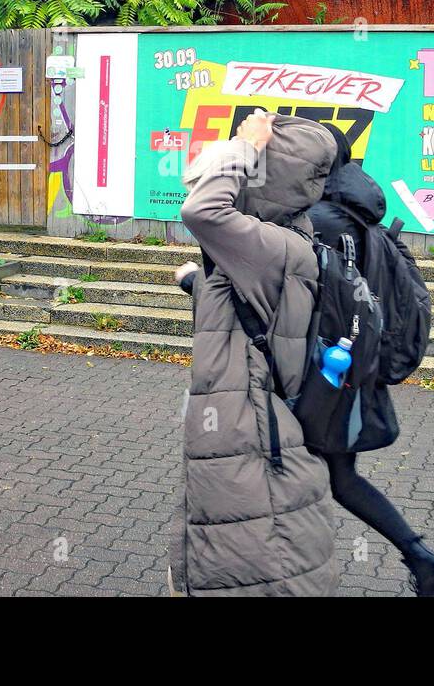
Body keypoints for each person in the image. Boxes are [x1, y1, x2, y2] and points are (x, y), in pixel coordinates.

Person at [169, 111, 340, 596]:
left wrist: (244, 148)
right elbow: (247, 311)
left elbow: (201, 211)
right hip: (248, 423)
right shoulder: (285, 238)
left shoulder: (274, 247)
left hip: (250, 429)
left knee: (254, 553)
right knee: (240, 544)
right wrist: (194, 283)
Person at [307, 124, 434, 597]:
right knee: (335, 477)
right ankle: (423, 559)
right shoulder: (355, 213)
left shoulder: (323, 220)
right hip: (350, 364)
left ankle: (422, 558)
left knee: (318, 475)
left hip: (327, 373)